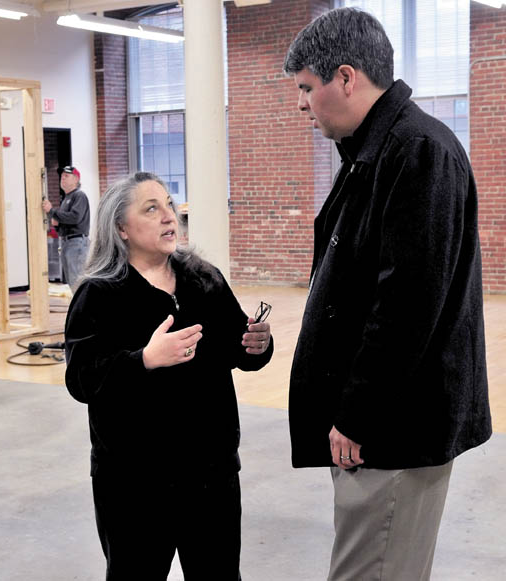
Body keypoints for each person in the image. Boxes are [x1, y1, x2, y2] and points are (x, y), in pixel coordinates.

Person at [283, 8, 491, 580]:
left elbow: (406, 306)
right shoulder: (373, 152)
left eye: (306, 87)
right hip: (376, 426)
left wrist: (358, 414)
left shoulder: (417, 152)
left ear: (346, 78)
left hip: (392, 430)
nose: (302, 103)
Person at [64, 171, 273, 580]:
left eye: (169, 207)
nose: (168, 217)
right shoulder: (99, 294)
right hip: (135, 483)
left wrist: (256, 346)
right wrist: (143, 359)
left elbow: (238, 351)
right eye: (151, 208)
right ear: (121, 227)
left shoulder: (203, 278)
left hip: (211, 474)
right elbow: (82, 379)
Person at [42, 165, 90, 290]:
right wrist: (57, 224)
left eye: (66, 176)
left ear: (76, 179)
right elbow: (66, 221)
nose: (62, 178)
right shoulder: (66, 199)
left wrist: (52, 211)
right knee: (72, 280)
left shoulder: (79, 196)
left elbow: (75, 217)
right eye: (62, 176)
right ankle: (78, 307)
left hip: (76, 242)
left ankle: (83, 308)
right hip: (67, 242)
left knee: (77, 279)